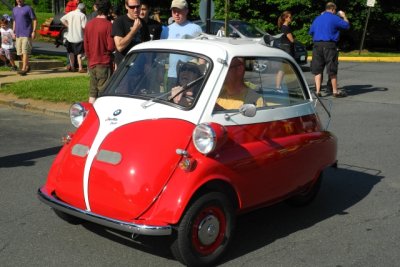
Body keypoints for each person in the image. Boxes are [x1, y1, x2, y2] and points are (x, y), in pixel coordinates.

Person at [309, 2, 349, 98]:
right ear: (332, 9)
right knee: (332, 68)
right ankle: (335, 91)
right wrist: (344, 16)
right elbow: (347, 26)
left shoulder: (317, 18)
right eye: (335, 10)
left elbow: (311, 32)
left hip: (317, 45)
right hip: (329, 45)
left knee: (317, 69)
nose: (335, 12)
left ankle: (318, 91)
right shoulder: (335, 18)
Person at [161, 0, 202, 90]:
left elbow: (202, 53)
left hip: (190, 75)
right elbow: (162, 54)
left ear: (186, 11)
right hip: (172, 75)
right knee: (170, 101)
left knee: (187, 102)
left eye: (179, 11)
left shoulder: (196, 29)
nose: (176, 14)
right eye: (174, 11)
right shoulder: (166, 30)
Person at [84, 0, 115, 104]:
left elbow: (86, 45)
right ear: (109, 10)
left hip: (92, 62)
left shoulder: (89, 24)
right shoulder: (108, 25)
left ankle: (90, 115)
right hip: (104, 62)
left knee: (93, 92)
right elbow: (111, 47)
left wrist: (89, 59)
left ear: (96, 8)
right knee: (103, 92)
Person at [111, 0, 150, 68]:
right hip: (124, 68)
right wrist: (134, 30)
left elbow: (146, 46)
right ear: (126, 6)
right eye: (132, 7)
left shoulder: (143, 23)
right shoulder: (119, 22)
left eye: (138, 6)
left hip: (140, 67)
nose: (135, 9)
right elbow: (120, 47)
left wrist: (148, 64)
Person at [12, 0, 37, 76]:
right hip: (18, 34)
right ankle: (27, 65)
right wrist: (13, 31)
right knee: (19, 52)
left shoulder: (28, 8)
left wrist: (34, 31)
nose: (19, 0)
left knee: (25, 51)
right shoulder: (14, 9)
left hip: (26, 33)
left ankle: (23, 69)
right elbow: (14, 21)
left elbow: (34, 20)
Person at [61, 3, 87, 73]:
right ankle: (80, 68)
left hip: (70, 37)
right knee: (80, 53)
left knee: (71, 52)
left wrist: (68, 25)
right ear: (83, 9)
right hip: (79, 37)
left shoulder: (70, 13)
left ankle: (72, 67)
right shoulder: (82, 15)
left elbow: (62, 19)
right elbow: (84, 27)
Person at [275, 11, 295, 89]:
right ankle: (278, 86)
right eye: (289, 17)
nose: (291, 18)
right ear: (285, 18)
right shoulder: (286, 28)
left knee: (283, 69)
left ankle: (279, 86)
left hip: (284, 50)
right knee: (283, 69)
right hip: (287, 50)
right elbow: (291, 40)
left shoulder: (283, 27)